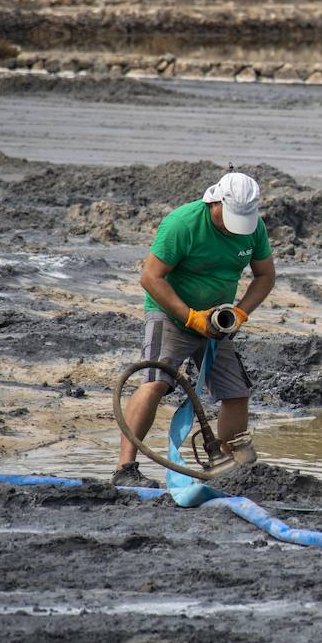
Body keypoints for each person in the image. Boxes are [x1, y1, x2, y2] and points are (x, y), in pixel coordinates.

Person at [113, 171, 277, 487]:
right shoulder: (183, 224)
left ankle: (229, 469)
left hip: (217, 322)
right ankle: (125, 469)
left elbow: (265, 276)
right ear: (214, 200)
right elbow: (150, 277)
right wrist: (190, 317)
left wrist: (241, 312)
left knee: (236, 392)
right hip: (171, 316)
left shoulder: (253, 229)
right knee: (155, 383)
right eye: (229, 216)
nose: (234, 225)